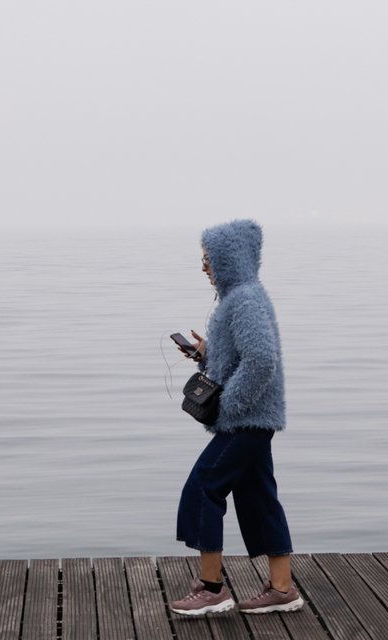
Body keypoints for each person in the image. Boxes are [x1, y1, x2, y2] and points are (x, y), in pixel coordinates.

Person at [169, 219, 304, 616]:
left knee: (203, 488)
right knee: (260, 498)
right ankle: (282, 588)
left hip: (245, 420)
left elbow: (262, 361)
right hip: (256, 420)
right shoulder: (243, 297)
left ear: (230, 258)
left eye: (209, 258)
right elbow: (245, 358)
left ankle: (211, 589)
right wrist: (207, 354)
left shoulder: (244, 299)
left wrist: (229, 405)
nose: (204, 266)